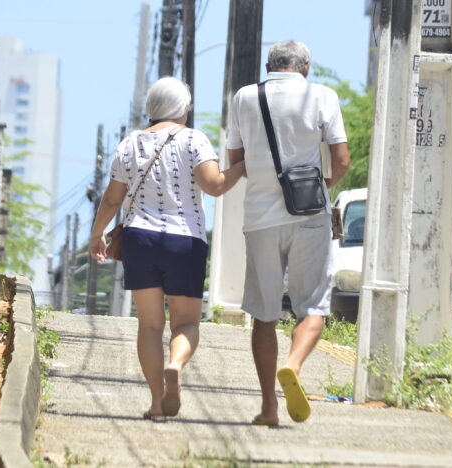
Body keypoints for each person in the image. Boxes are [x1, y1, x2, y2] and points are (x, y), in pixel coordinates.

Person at [89, 76, 245, 422]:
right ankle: (175, 364)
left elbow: (113, 197)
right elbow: (214, 185)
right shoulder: (194, 140)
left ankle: (157, 404)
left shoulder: (130, 143)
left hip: (140, 240)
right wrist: (241, 168)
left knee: (148, 326)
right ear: (184, 108)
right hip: (184, 241)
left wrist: (97, 233)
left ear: (152, 108)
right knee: (186, 322)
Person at [226, 40, 351, 426]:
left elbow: (236, 160)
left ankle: (268, 408)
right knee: (313, 306)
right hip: (309, 214)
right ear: (306, 68)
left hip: (260, 220)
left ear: (269, 66)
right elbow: (342, 158)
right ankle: (293, 366)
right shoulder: (322, 95)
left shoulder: (245, 97)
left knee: (264, 316)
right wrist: (323, 182)